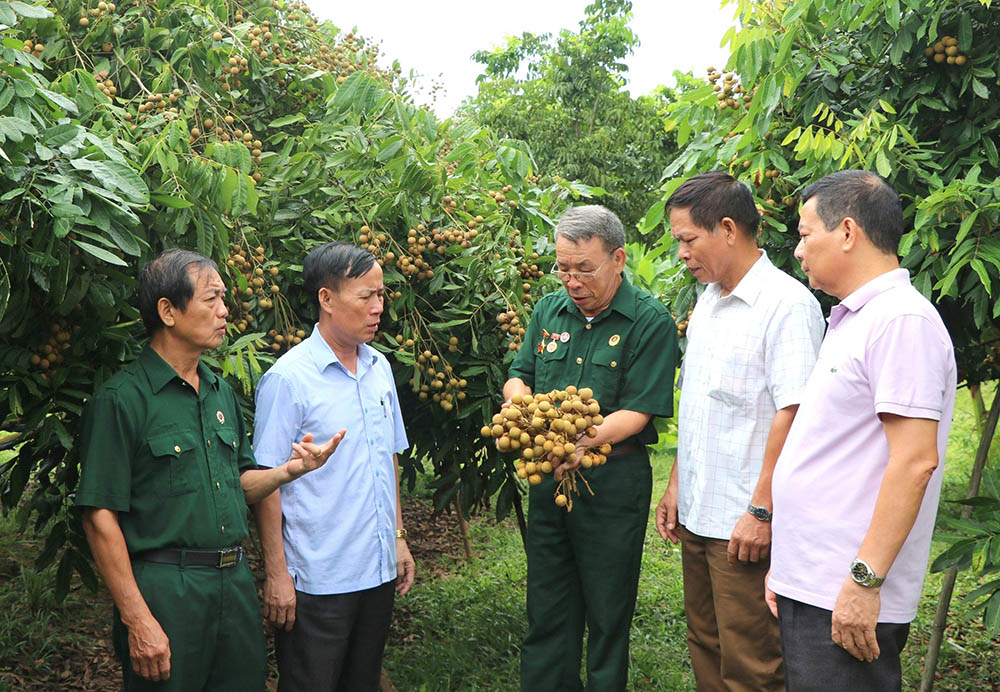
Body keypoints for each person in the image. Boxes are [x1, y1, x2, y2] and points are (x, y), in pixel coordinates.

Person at [77, 248, 343, 691]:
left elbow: (239, 483)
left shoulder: (220, 394)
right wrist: (138, 619)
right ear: (168, 311)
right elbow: (99, 516)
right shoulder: (122, 400)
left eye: (224, 300)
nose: (225, 312)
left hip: (233, 584)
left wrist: (287, 472)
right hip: (167, 589)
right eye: (211, 300)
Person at [766, 170, 957, 692]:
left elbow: (916, 461)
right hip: (816, 581)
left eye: (806, 235)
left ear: (847, 232)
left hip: (844, 588)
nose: (799, 251)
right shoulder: (855, 318)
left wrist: (863, 582)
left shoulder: (902, 323)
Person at [654, 172, 825, 692]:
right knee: (705, 643)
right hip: (701, 511)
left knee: (752, 662)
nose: (681, 253)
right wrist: (678, 482)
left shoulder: (787, 306)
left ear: (727, 228)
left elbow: (794, 414)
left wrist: (761, 510)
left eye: (687, 239)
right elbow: (704, 403)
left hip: (743, 524)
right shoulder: (708, 299)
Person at [503, 204, 678, 691]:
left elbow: (639, 411)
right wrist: (521, 408)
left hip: (611, 483)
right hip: (549, 480)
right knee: (547, 603)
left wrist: (580, 441)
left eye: (584, 269)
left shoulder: (650, 322)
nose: (571, 280)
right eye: (563, 268)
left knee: (607, 610)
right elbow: (520, 375)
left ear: (618, 259)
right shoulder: (547, 310)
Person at [253, 242, 414, 692]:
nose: (378, 307)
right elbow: (266, 483)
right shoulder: (288, 379)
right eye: (366, 296)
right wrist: (278, 573)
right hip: (318, 580)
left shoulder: (380, 368)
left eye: (381, 295)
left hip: (377, 571)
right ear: (326, 299)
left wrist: (399, 538)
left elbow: (389, 459)